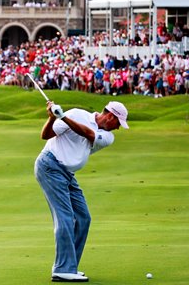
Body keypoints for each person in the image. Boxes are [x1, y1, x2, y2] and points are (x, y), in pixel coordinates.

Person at [34, 100, 129, 282]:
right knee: (65, 217)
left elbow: (87, 133)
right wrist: (52, 118)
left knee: (84, 217)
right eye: (118, 123)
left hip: (67, 173)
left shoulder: (107, 137)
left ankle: (69, 266)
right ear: (110, 116)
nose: (118, 128)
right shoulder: (77, 113)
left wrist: (63, 117)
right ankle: (62, 269)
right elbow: (45, 135)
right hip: (50, 166)